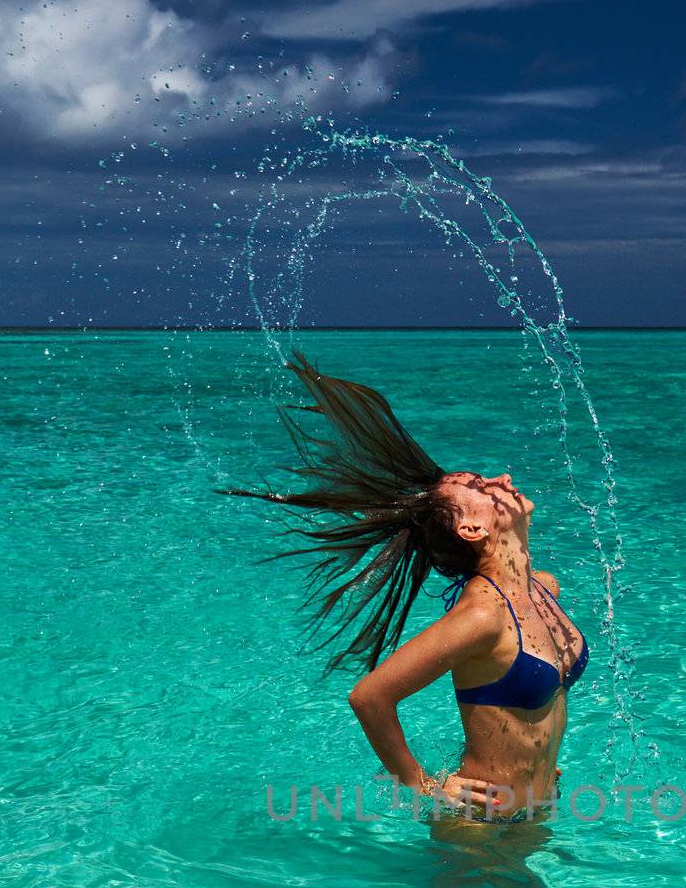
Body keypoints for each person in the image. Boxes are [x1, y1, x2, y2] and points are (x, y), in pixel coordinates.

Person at [222, 352, 588, 823]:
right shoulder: (483, 617)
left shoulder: (542, 590)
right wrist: (425, 788)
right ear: (472, 530)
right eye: (480, 485)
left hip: (539, 810)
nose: (502, 480)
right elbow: (369, 697)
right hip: (479, 827)